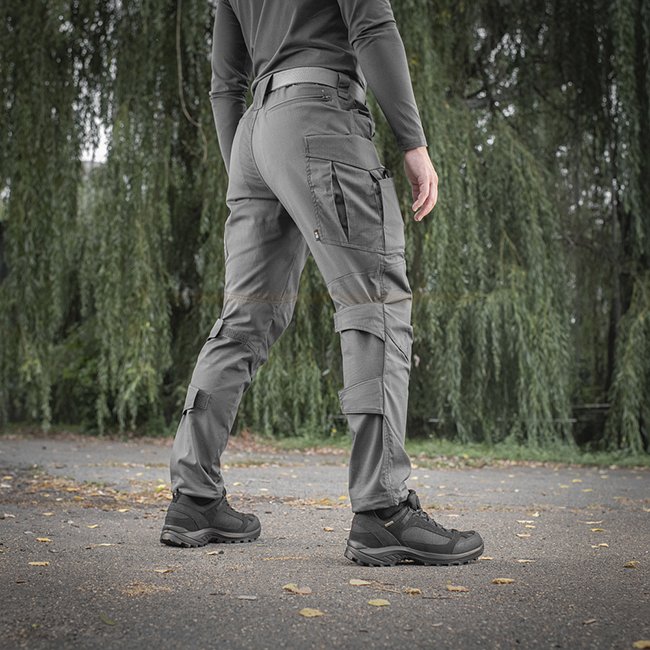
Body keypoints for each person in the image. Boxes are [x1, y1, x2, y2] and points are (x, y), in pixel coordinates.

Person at [160, 0, 484, 567]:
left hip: (253, 134)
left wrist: (247, 172)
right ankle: (383, 510)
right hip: (319, 113)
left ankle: (194, 498)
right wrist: (413, 143)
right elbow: (372, 26)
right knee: (375, 302)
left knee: (244, 319)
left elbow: (224, 84)